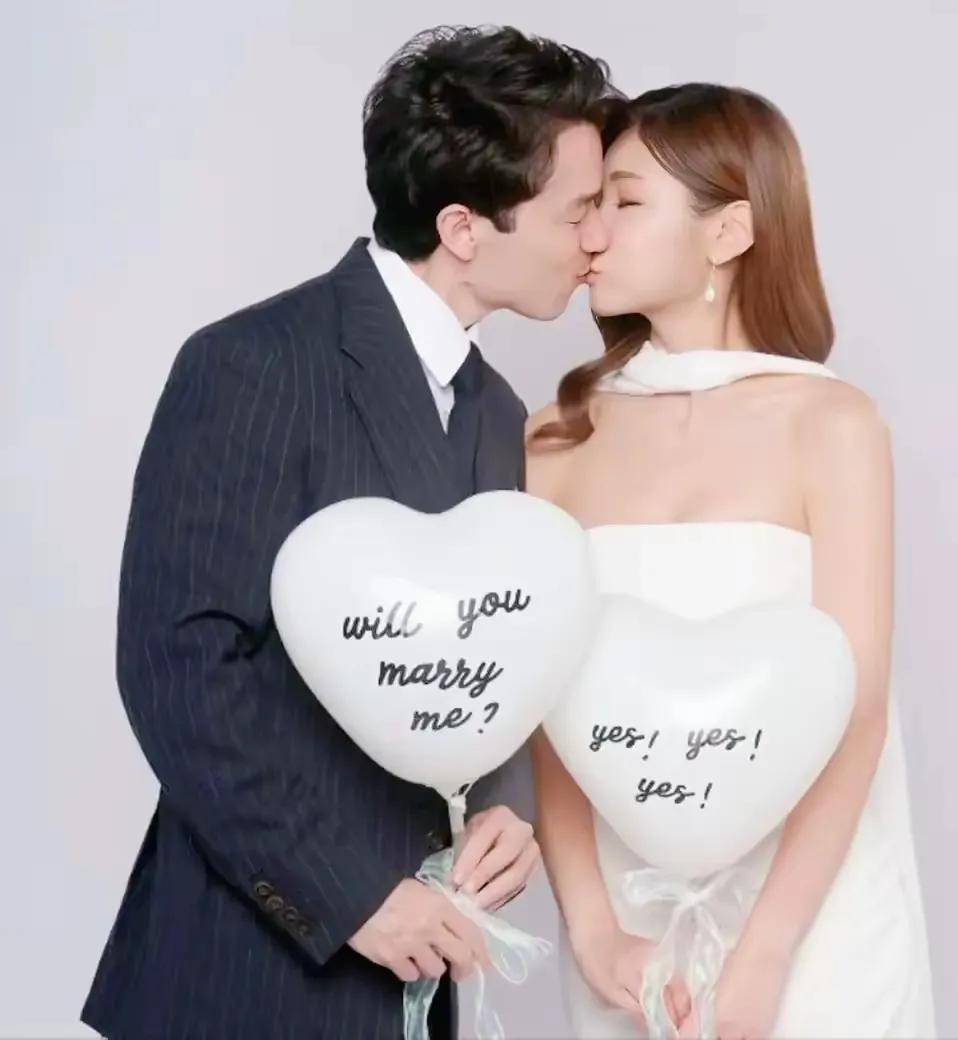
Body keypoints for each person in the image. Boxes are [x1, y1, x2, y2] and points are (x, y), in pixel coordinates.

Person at [80, 25, 618, 1040]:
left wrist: (508, 805)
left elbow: (488, 642)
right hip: (244, 975)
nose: (597, 238)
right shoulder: (254, 362)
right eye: (578, 209)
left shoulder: (498, 411)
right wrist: (349, 893)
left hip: (416, 978)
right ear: (464, 227)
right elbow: (177, 665)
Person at [526, 83, 937, 1038]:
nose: (592, 232)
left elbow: (858, 708)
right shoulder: (556, 437)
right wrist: (592, 928)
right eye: (591, 204)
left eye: (626, 202)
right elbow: (543, 711)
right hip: (632, 938)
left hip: (816, 928)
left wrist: (766, 952)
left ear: (729, 231)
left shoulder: (831, 422)